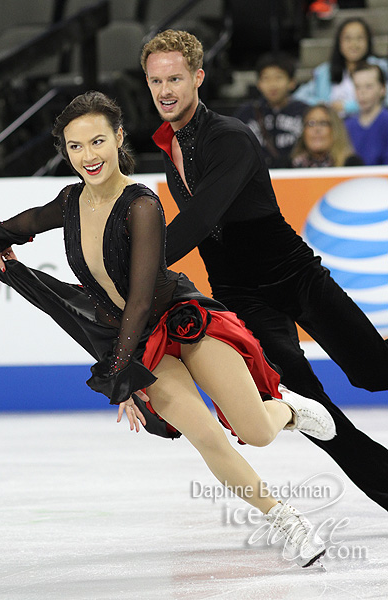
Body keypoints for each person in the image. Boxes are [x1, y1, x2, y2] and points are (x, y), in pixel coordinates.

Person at [0, 91, 337, 568]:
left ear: (119, 137)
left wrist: (120, 370)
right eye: (76, 147)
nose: (89, 156)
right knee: (206, 435)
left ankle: (285, 409)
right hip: (141, 344)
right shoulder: (69, 202)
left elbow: (143, 297)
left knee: (256, 433)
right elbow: (16, 225)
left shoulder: (141, 205)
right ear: (64, 152)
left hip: (180, 321)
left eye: (98, 141)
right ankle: (284, 518)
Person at [140, 29, 388, 512]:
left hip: (294, 275)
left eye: (174, 78)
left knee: (374, 372)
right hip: (242, 295)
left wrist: (132, 265)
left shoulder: (231, 136)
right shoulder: (169, 148)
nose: (165, 90)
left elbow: (200, 218)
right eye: (155, 81)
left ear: (198, 77)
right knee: (311, 405)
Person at [293, 17, 388, 116]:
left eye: (360, 38)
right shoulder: (325, 71)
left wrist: (348, 107)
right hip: (333, 127)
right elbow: (298, 97)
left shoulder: (380, 67)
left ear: (368, 41)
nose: (354, 44)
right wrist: (325, 106)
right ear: (339, 42)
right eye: (347, 38)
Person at [234, 52, 308, 169]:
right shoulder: (246, 113)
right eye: (266, 78)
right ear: (259, 84)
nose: (272, 85)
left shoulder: (305, 111)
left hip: (296, 175)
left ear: (292, 82)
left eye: (279, 77)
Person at [291, 103, 363, 167]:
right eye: (311, 123)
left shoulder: (351, 165)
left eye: (323, 123)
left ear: (335, 129)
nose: (316, 129)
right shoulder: (289, 166)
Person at [345, 62, 388, 166]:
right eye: (357, 87)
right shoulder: (346, 125)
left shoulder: (385, 122)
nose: (362, 92)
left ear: (382, 89)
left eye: (369, 86)